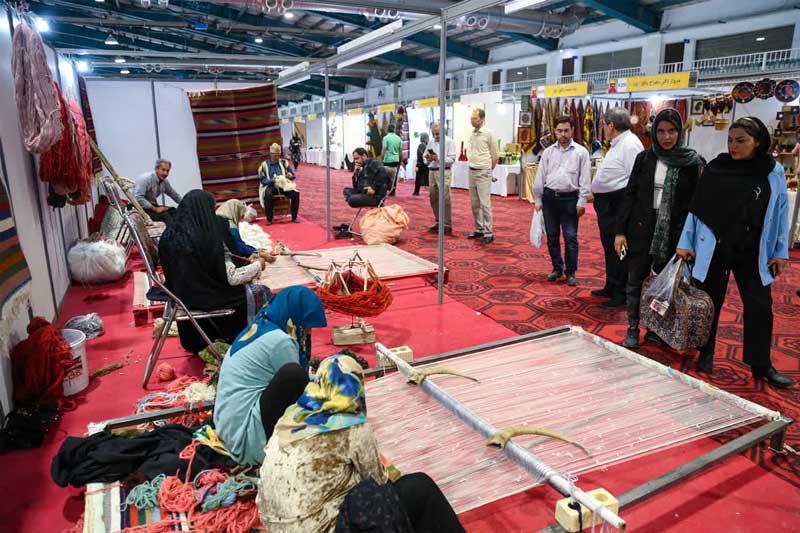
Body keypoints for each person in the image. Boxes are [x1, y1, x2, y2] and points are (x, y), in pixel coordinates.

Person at [257, 354, 465, 533]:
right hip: (318, 528)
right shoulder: (351, 426)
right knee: (419, 488)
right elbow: (379, 481)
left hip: (274, 524)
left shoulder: (292, 417)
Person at [676, 117, 793, 388]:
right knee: (708, 301)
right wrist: (686, 242)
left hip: (753, 249)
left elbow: (780, 212)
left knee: (760, 306)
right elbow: (697, 208)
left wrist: (780, 252)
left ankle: (761, 364)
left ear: (758, 142)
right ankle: (705, 352)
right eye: (730, 140)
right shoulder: (717, 168)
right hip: (715, 246)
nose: (733, 146)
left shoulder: (772, 171)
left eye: (741, 141)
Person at [615, 109, 704, 349]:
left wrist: (691, 239)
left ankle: (657, 330)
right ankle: (633, 327)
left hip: (674, 232)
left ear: (680, 132)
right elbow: (630, 195)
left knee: (666, 285)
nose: (666, 137)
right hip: (641, 228)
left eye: (672, 131)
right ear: (654, 132)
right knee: (635, 280)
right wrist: (620, 232)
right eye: (661, 131)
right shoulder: (645, 158)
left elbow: (696, 204)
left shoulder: (692, 162)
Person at [214, 286, 327, 466]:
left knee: (297, 376)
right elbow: (300, 386)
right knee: (294, 375)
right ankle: (276, 447)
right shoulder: (281, 342)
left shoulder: (262, 325)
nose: (308, 333)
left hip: (227, 429)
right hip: (245, 439)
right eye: (306, 327)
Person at [158, 190, 270, 353]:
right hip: (203, 298)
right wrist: (258, 265)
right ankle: (248, 341)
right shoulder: (205, 238)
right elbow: (232, 277)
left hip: (179, 296)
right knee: (260, 292)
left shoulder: (169, 235)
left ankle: (202, 338)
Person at [591, 107, 644, 308]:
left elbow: (635, 180)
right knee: (609, 248)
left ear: (611, 125)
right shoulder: (619, 143)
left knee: (619, 249)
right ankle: (611, 285)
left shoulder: (630, 144)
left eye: (604, 125)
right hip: (609, 204)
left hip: (618, 203)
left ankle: (621, 294)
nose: (604, 129)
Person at [533, 115, 591, 287]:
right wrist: (538, 199)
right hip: (550, 199)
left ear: (572, 130)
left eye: (566, 130)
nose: (563, 134)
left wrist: (582, 201)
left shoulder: (581, 152)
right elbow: (540, 176)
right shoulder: (548, 152)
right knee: (552, 236)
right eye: (560, 131)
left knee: (570, 237)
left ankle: (571, 272)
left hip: (571, 199)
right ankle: (557, 268)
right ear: (555, 131)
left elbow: (585, 178)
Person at [467, 108, 499, 245]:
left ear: (482, 119)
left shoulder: (489, 133)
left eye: (475, 118)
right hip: (472, 170)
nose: (472, 120)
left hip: (483, 171)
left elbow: (495, 155)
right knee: (474, 203)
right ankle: (479, 228)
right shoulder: (473, 134)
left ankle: (489, 232)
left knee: (485, 204)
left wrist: (488, 170)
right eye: (471, 118)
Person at [426, 123, 457, 235]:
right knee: (433, 197)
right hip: (432, 171)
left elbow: (452, 159)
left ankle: (447, 224)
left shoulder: (449, 142)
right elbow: (425, 155)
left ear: (443, 132)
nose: (435, 136)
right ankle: (438, 221)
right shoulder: (431, 141)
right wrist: (427, 158)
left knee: (445, 198)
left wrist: (438, 158)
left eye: (438, 134)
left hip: (444, 171)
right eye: (434, 134)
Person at [259, 143, 300, 225]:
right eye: (275, 155)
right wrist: (271, 180)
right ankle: (269, 219)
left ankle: (294, 217)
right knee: (267, 194)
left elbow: (293, 175)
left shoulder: (284, 163)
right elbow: (262, 180)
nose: (277, 157)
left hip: (284, 185)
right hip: (271, 185)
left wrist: (290, 176)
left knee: (295, 193)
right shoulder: (264, 164)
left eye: (278, 155)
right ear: (271, 154)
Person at [134, 159, 182, 223]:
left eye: (167, 171)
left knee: (174, 211)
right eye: (163, 170)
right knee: (166, 216)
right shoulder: (145, 179)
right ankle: (172, 229)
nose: (165, 173)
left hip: (151, 207)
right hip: (139, 209)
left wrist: (186, 203)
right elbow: (137, 197)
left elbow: (175, 195)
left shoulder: (164, 182)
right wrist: (155, 209)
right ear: (156, 169)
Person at [381, 124, 403, 196]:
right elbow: (400, 151)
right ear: (394, 130)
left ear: (388, 129)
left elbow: (384, 149)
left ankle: (384, 190)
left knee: (385, 177)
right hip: (395, 160)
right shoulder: (398, 138)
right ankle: (393, 191)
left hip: (387, 160)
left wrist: (382, 158)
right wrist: (401, 161)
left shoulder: (386, 138)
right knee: (394, 177)